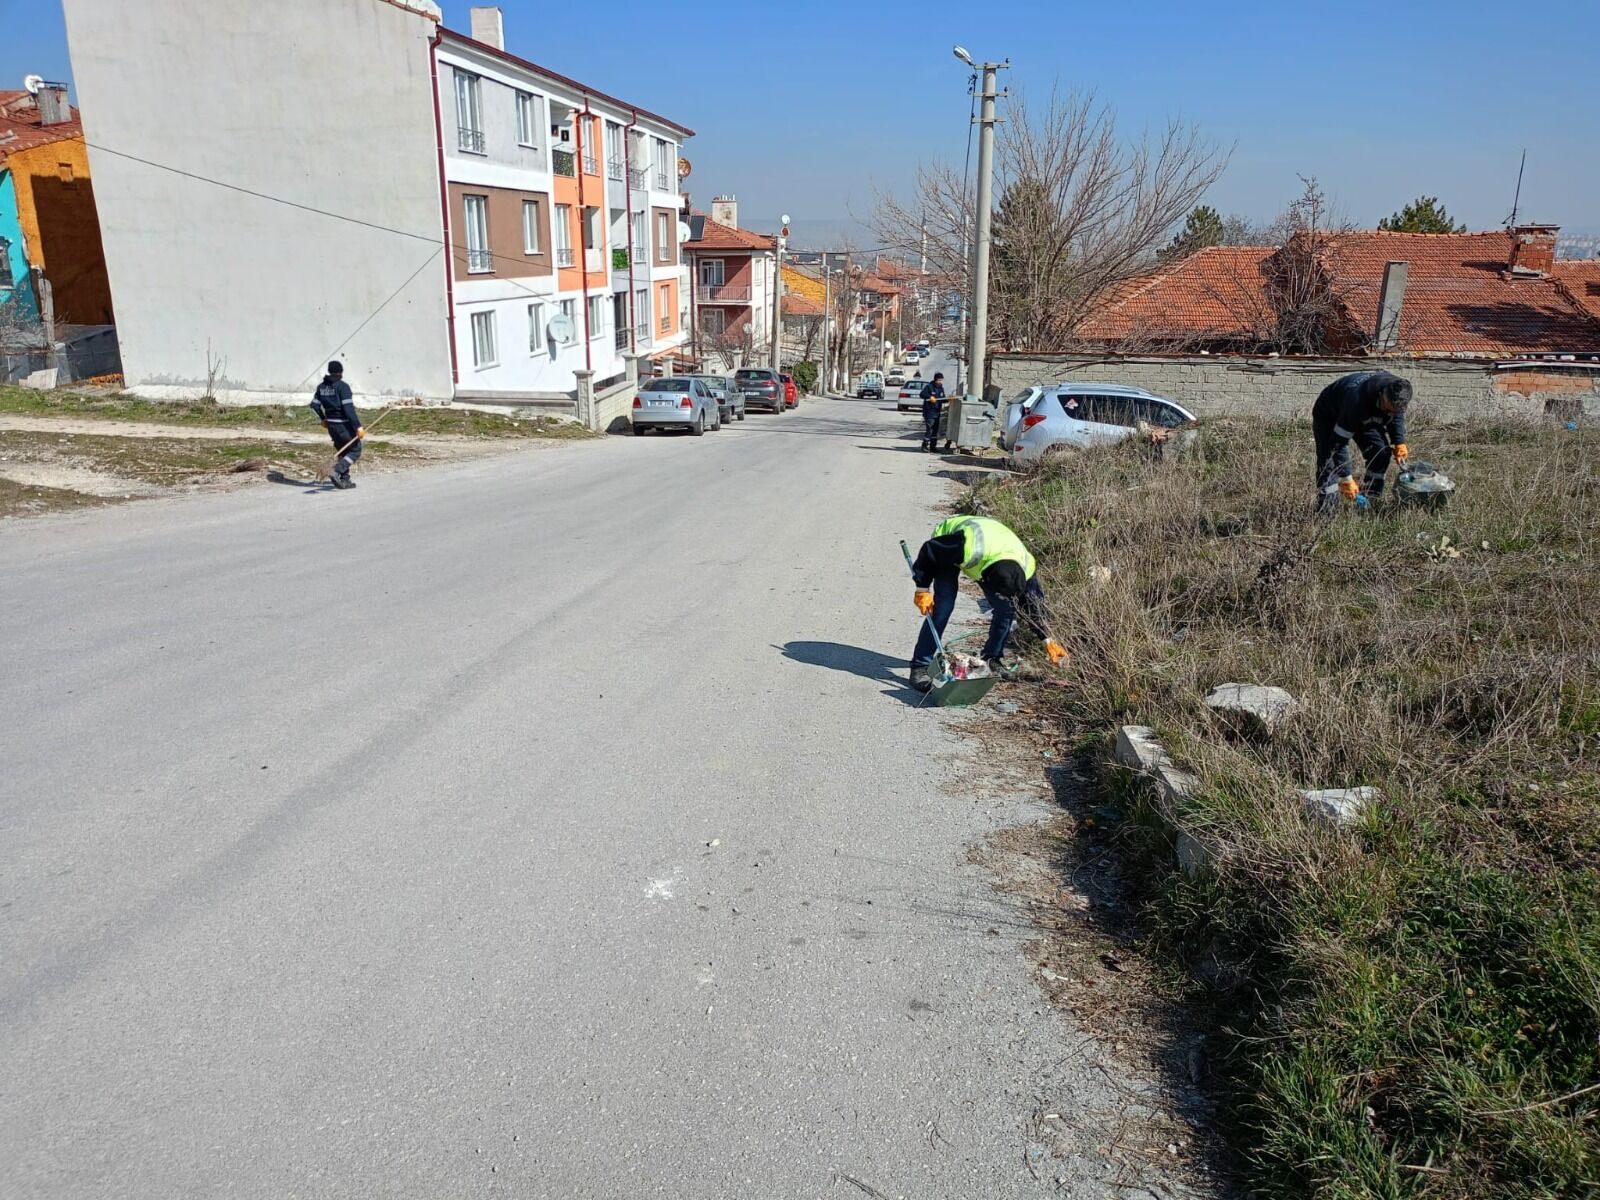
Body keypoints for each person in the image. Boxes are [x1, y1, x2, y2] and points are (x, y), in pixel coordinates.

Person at [908, 514, 1067, 693]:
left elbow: (1033, 604)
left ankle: (992, 659)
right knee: (943, 607)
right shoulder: (968, 547)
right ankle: (920, 666)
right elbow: (930, 550)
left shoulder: (1026, 566)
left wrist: (1047, 638)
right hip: (951, 540)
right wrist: (922, 588)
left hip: (996, 547)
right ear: (986, 579)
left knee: (1006, 609)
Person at [1311, 370, 1411, 512]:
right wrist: (1346, 478)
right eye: (1388, 409)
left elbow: (1396, 416)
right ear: (1382, 394)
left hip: (1365, 413)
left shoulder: (1398, 391)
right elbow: (1338, 444)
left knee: (1381, 451)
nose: (1389, 414)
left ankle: (1371, 500)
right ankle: (1327, 510)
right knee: (1329, 462)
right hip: (1330, 415)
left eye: (1394, 411)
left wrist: (1399, 441)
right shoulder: (1355, 401)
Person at [310, 361, 364, 490]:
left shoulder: (321, 387)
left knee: (342, 450)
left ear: (329, 371)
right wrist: (358, 427)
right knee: (355, 450)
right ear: (341, 371)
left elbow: (314, 405)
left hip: (332, 426)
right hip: (343, 425)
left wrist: (324, 419)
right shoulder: (342, 387)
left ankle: (344, 479)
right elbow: (348, 409)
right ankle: (337, 470)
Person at [918, 372, 946, 453]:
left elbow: (942, 399)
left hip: (937, 412)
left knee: (935, 431)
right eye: (939, 380)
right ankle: (924, 445)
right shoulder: (929, 387)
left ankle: (933, 447)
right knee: (929, 429)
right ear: (935, 380)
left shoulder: (941, 388)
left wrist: (949, 399)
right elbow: (922, 394)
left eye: (942, 380)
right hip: (929, 412)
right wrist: (930, 397)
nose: (941, 382)